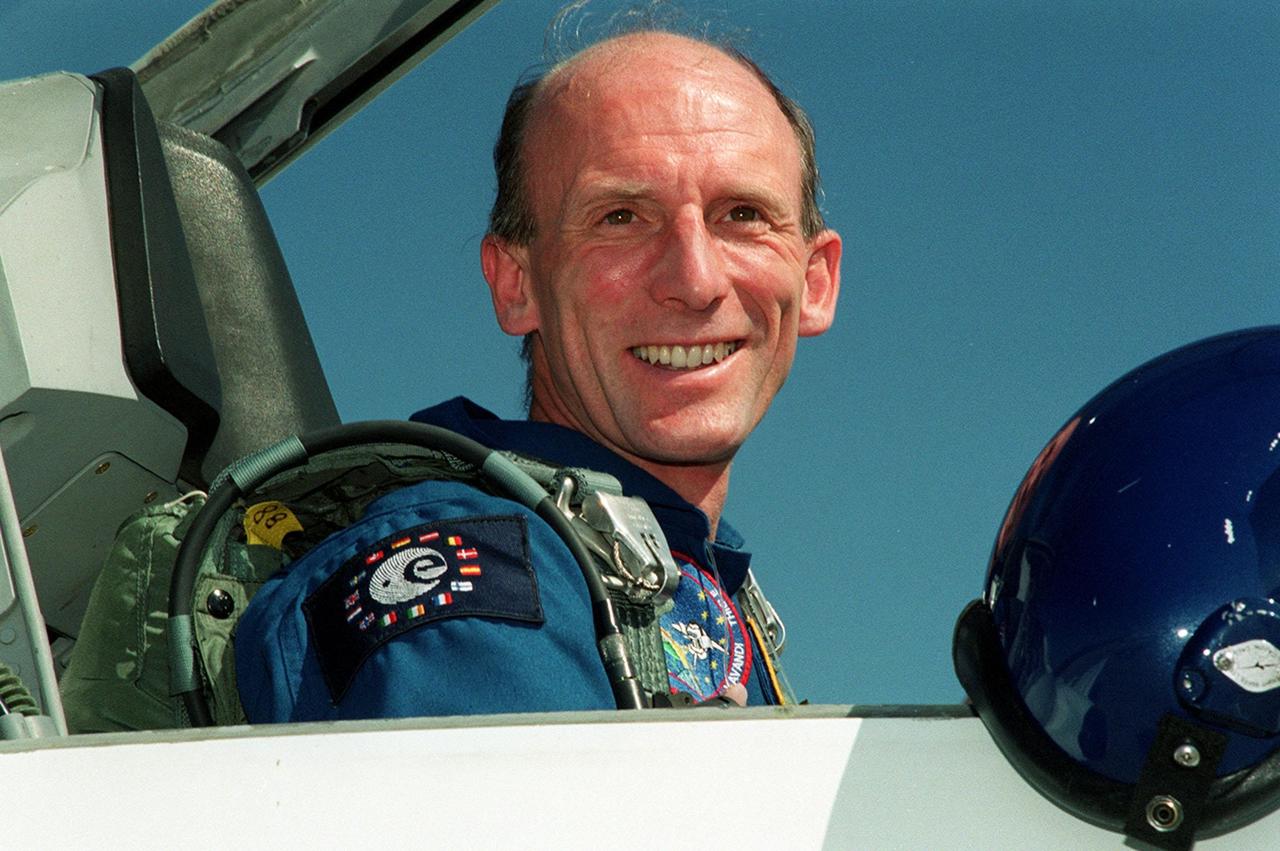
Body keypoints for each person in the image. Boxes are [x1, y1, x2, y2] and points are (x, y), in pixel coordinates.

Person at [234, 26, 841, 722]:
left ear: (815, 279)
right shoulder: (482, 580)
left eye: (742, 215)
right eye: (620, 217)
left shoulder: (698, 591)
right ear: (516, 282)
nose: (695, 281)